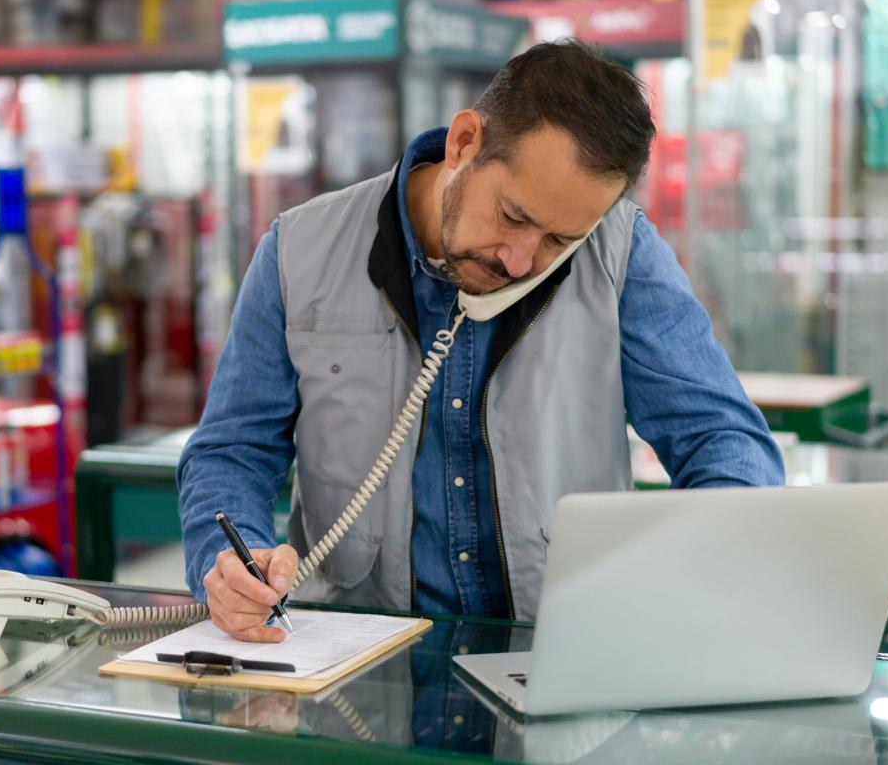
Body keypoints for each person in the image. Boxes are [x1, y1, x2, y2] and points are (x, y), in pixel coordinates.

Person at [179, 40, 784, 643]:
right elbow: (233, 449)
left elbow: (719, 436)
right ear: (464, 141)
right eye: (514, 217)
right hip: (356, 666)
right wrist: (229, 562)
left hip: (558, 664)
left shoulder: (623, 255)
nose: (521, 262)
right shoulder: (298, 251)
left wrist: (713, 555)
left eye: (560, 240)